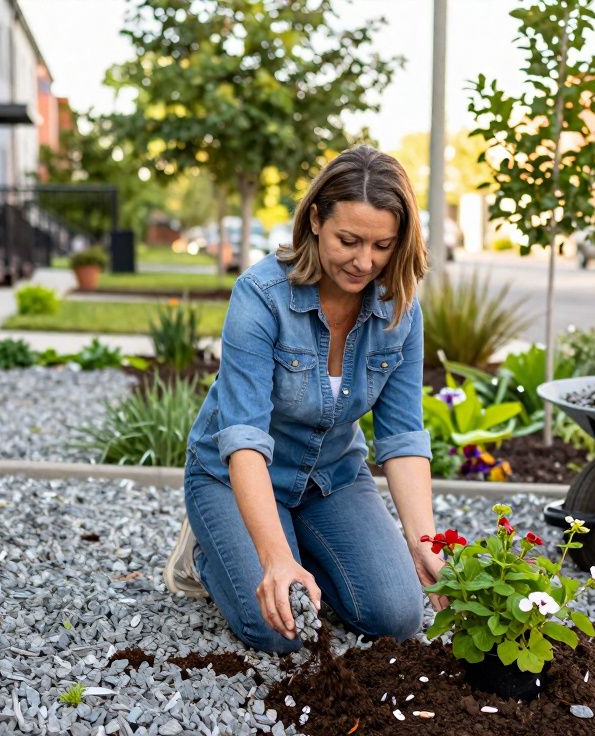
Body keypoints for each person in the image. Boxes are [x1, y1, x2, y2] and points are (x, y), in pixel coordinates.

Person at [162, 145, 445, 653]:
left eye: (383, 245)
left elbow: (402, 435)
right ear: (315, 219)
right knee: (280, 629)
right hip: (234, 477)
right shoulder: (260, 295)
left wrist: (422, 541)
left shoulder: (400, 309)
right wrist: (273, 559)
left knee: (398, 617)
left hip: (330, 476)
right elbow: (244, 437)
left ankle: (302, 547)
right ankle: (211, 553)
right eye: (349, 240)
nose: (365, 262)